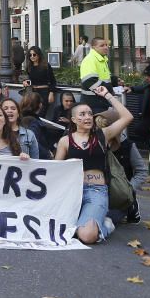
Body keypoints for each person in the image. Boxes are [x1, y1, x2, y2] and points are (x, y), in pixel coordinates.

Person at [54, 84, 133, 244]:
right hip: (72, 193)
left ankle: (106, 225)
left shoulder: (103, 135)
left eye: (90, 114)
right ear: (74, 120)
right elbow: (56, 170)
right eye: (82, 114)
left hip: (96, 192)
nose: (88, 117)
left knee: (87, 236)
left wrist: (108, 96)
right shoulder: (65, 141)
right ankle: (90, 222)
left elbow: (127, 117)